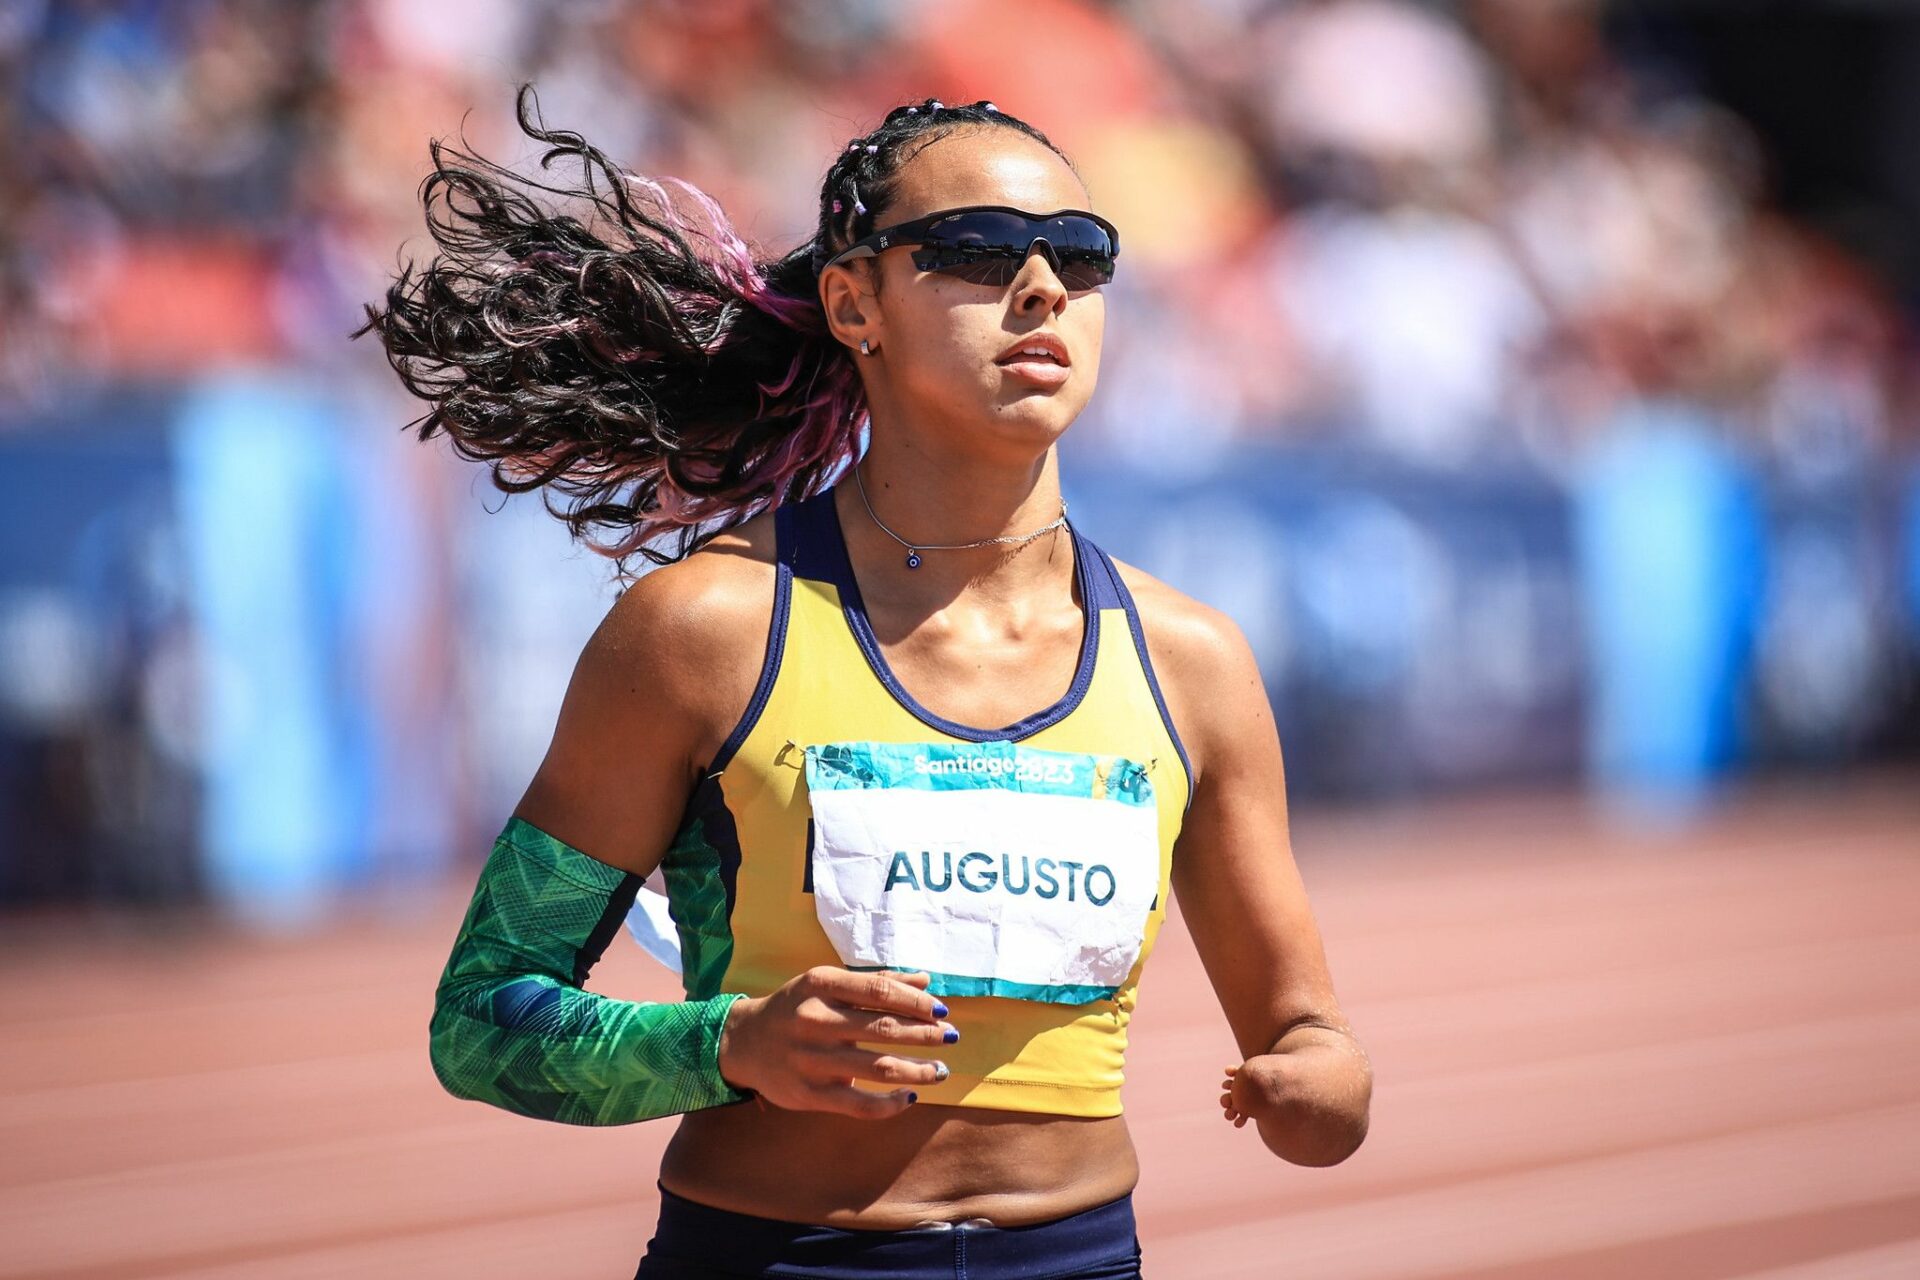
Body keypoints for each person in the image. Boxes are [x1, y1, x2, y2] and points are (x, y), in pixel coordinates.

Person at [359, 86, 1371, 1280]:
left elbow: (1311, 1037)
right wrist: (735, 1044)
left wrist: (1321, 1087)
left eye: (1082, 257)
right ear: (854, 302)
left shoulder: (1191, 661)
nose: (1043, 287)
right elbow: (483, 1018)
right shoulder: (703, 632)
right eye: (976, 250)